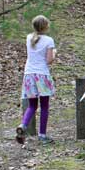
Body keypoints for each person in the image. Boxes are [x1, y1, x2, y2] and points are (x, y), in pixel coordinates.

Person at [16, 15, 56, 145]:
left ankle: (23, 125)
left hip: (29, 75)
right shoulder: (49, 40)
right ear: (45, 26)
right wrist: (54, 53)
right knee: (44, 106)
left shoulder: (29, 38)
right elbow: (49, 60)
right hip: (42, 75)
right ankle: (42, 135)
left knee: (32, 105)